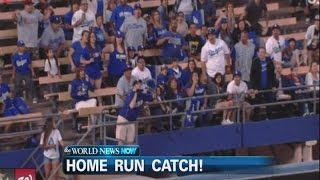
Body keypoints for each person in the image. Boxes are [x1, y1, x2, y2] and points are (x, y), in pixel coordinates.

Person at [116, 80, 153, 145]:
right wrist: (135, 93)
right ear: (134, 86)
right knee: (121, 141)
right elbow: (131, 106)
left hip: (132, 120)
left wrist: (151, 89)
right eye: (138, 84)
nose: (140, 85)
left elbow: (152, 97)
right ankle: (119, 155)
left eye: (140, 84)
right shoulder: (130, 94)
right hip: (124, 119)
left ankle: (130, 155)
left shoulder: (142, 95)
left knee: (130, 142)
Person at [201, 28, 232, 98]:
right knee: (213, 95)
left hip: (222, 72)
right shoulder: (205, 47)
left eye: (212, 35)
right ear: (207, 36)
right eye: (209, 35)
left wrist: (229, 66)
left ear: (215, 35)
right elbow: (203, 62)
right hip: (211, 74)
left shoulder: (221, 43)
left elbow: (227, 54)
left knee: (223, 94)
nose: (211, 37)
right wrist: (204, 74)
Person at [250, 48, 276, 120]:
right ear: (258, 53)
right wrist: (254, 88)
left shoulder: (269, 61)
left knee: (269, 104)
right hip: (258, 88)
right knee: (257, 104)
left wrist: (273, 85)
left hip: (268, 86)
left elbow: (272, 74)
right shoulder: (255, 62)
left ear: (265, 53)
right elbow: (252, 76)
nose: (261, 54)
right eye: (260, 52)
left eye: (263, 52)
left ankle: (269, 118)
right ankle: (256, 120)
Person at [44, 48, 61, 113]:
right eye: (50, 52)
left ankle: (57, 101)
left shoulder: (55, 59)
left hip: (56, 76)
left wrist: (59, 73)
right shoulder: (47, 61)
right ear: (47, 54)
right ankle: (53, 103)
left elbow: (58, 67)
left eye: (52, 52)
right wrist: (50, 74)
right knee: (51, 89)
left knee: (57, 88)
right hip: (51, 77)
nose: (51, 54)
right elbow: (47, 70)